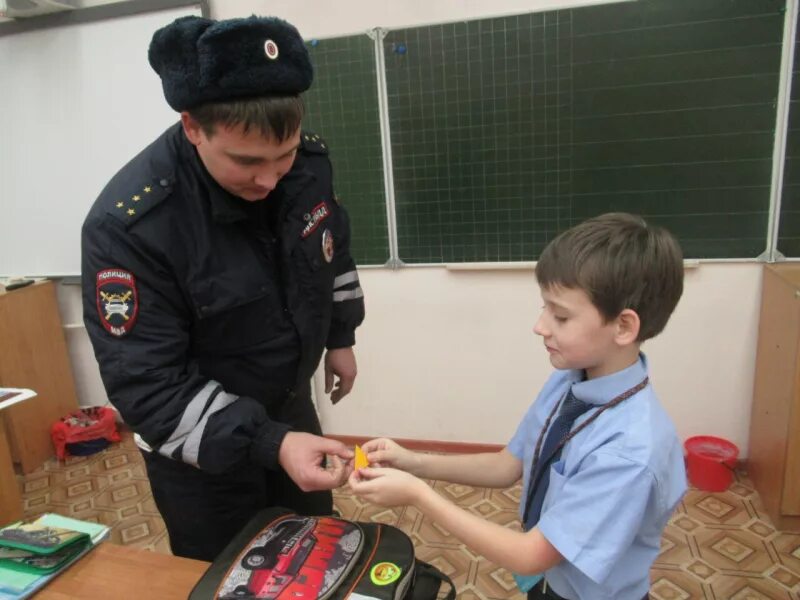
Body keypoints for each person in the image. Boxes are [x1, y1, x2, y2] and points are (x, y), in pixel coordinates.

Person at [81, 15, 365, 561]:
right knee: (229, 572)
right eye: (246, 162)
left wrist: (340, 336)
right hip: (199, 454)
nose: (269, 179)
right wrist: (269, 442)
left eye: (281, 157)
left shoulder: (305, 166)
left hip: (287, 409)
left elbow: (331, 248)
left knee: (312, 556)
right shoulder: (131, 227)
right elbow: (149, 386)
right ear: (192, 127)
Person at [349, 213, 686, 600]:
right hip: (547, 582)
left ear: (624, 327)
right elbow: (509, 465)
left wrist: (418, 495)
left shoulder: (630, 452)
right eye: (545, 308)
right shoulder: (572, 378)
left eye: (560, 315)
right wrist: (412, 461)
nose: (540, 326)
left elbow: (531, 555)